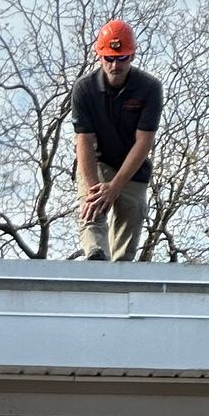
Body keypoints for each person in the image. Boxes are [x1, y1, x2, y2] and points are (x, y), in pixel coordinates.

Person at [72, 19, 162, 262]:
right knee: (92, 206)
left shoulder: (150, 88)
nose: (115, 65)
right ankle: (96, 256)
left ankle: (121, 271)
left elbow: (144, 142)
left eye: (121, 58)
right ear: (99, 57)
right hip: (98, 161)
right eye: (109, 58)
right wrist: (96, 191)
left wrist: (116, 187)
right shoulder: (84, 89)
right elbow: (84, 142)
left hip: (132, 167)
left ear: (131, 56)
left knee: (132, 212)